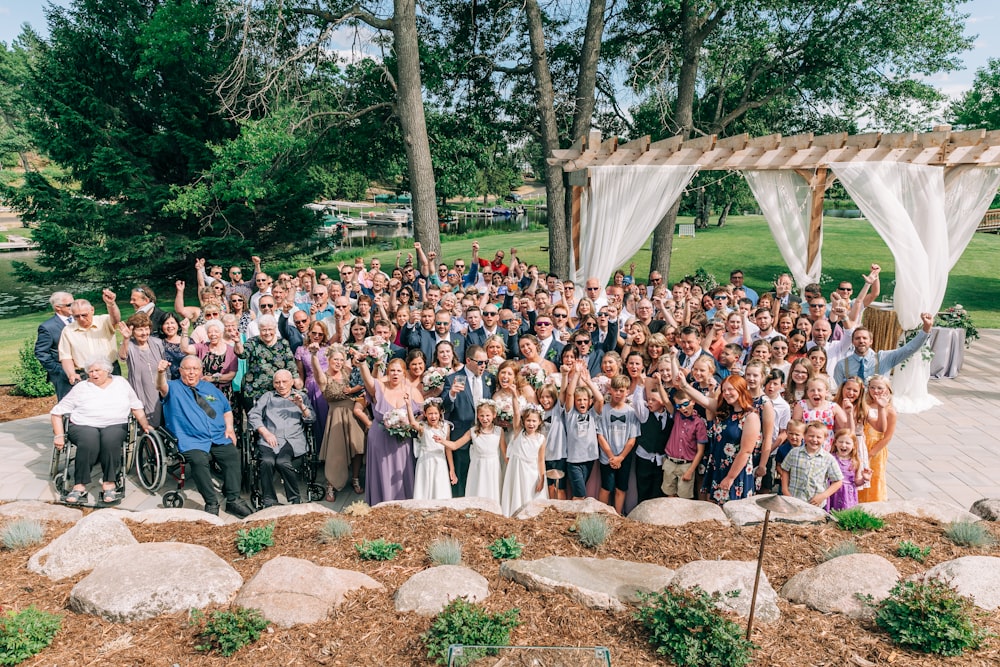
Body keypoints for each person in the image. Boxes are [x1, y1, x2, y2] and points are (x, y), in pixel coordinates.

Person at [157, 356, 253, 517]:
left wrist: (229, 428)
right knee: (199, 461)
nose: (191, 372)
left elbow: (226, 409)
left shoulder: (210, 388)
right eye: (187, 368)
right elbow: (160, 386)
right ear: (180, 371)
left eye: (195, 369)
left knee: (232, 455)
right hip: (191, 439)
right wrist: (160, 373)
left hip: (217, 436)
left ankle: (233, 500)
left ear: (201, 371)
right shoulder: (172, 387)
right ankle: (211, 502)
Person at [50, 357, 152, 504]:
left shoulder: (121, 383)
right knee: (88, 441)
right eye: (90, 371)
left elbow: (136, 406)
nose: (93, 374)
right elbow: (57, 412)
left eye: (97, 370)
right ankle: (79, 486)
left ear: (107, 370)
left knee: (110, 440)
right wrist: (59, 435)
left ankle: (109, 483)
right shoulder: (81, 387)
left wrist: (145, 424)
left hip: (115, 423)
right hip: (83, 424)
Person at [678, 374, 761, 505]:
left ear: (741, 389)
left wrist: (730, 478)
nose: (726, 393)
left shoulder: (751, 417)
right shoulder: (725, 410)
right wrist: (684, 385)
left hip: (735, 472)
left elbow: (745, 451)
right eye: (724, 390)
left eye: (730, 389)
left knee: (731, 510)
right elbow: (702, 400)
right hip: (718, 466)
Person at [355, 355, 418, 505]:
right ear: (387, 373)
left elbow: (421, 414)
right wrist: (363, 364)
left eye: (398, 371)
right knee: (382, 472)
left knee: (402, 471)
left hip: (402, 441)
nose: (395, 374)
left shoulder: (412, 391)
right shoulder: (380, 388)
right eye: (391, 371)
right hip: (379, 438)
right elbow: (368, 380)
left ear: (404, 373)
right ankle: (380, 503)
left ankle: (405, 503)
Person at [247, 369, 314, 507]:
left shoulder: (301, 396)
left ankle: (295, 498)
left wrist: (301, 406)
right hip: (270, 438)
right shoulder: (268, 397)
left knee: (282, 462)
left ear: (291, 382)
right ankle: (269, 500)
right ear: (273, 384)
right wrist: (265, 433)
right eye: (277, 382)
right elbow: (253, 415)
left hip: (293, 439)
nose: (281, 385)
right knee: (266, 461)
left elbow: (311, 419)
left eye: (284, 382)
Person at [312, 344, 365, 501]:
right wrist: (314, 355)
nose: (338, 362)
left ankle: (355, 479)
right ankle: (331, 484)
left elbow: (361, 380)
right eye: (335, 359)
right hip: (336, 416)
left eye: (341, 360)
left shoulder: (347, 372)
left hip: (354, 413)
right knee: (336, 452)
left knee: (358, 448)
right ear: (328, 360)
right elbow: (316, 371)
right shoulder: (324, 377)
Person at [441, 345, 495, 496]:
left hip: (484, 436)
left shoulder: (489, 378)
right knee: (461, 476)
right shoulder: (452, 379)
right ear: (468, 361)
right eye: (480, 362)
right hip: (461, 434)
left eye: (486, 362)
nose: (483, 366)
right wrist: (451, 394)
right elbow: (444, 408)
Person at [833, 313, 934, 386]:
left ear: (871, 341)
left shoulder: (884, 358)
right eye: (857, 338)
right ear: (853, 341)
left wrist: (926, 329)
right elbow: (840, 392)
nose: (861, 341)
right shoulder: (842, 365)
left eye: (865, 338)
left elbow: (909, 349)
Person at [439, 400, 504, 505]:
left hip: (493, 468)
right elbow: (455, 445)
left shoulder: (499, 431)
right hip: (478, 467)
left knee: (493, 493)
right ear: (477, 416)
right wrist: (442, 441)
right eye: (482, 415)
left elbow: (505, 454)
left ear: (494, 415)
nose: (485, 418)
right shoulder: (473, 431)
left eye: (488, 415)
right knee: (478, 490)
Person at [596, 374, 640, 514]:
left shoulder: (632, 412)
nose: (618, 393)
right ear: (610, 390)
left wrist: (620, 457)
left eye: (622, 390)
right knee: (606, 487)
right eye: (615, 390)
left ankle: (618, 514)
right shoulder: (604, 410)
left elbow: (632, 439)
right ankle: (602, 514)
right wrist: (611, 456)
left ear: (627, 391)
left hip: (624, 457)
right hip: (606, 457)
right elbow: (600, 435)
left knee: (621, 488)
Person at [59, 290, 122, 386]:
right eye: (77, 316)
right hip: (85, 374)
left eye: (84, 315)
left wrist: (111, 304)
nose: (81, 319)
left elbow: (116, 319)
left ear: (92, 310)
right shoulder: (68, 331)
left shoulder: (104, 321)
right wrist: (71, 374)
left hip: (109, 371)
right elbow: (66, 357)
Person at [562, 360, 605, 500]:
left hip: (589, 458)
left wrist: (588, 381)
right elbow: (569, 395)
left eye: (585, 400)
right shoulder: (570, 414)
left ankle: (576, 517)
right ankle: (577, 518)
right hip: (574, 460)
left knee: (579, 493)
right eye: (579, 400)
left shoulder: (593, 414)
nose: (582, 402)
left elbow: (600, 399)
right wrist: (576, 375)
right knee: (580, 494)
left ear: (589, 402)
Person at [117, 312, 166, 427]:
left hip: (159, 385)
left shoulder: (157, 343)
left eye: (146, 329)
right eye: (140, 330)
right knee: (147, 418)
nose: (144, 333)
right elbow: (123, 356)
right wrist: (125, 339)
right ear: (133, 331)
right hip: (140, 388)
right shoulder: (129, 345)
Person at [780, 421, 843, 507]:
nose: (814, 440)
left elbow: (838, 481)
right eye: (811, 436)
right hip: (794, 500)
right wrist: (785, 490)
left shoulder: (828, 459)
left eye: (818, 437)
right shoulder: (794, 453)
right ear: (804, 435)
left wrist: (823, 496)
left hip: (815, 504)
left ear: (825, 438)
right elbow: (785, 469)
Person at [660, 387, 708, 501]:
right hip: (670, 461)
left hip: (686, 465)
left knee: (684, 498)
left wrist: (690, 471)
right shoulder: (677, 415)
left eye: (685, 404)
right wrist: (658, 385)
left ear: (693, 401)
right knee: (669, 494)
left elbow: (700, 451)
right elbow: (666, 402)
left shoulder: (699, 423)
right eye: (679, 406)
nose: (683, 408)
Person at [500, 402, 547, 516]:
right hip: (517, 469)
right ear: (523, 421)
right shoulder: (518, 432)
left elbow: (540, 460)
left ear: (540, 421)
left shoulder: (541, 439)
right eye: (528, 420)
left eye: (534, 421)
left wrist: (542, 478)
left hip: (532, 471)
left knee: (530, 494)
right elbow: (516, 413)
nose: (531, 423)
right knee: (517, 493)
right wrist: (514, 396)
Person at [407, 397, 455, 501]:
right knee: (424, 488)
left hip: (440, 461)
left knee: (439, 488)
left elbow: (448, 449)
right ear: (425, 414)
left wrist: (452, 469)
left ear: (440, 413)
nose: (433, 416)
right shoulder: (423, 427)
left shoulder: (445, 427)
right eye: (430, 413)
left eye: (435, 413)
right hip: (425, 461)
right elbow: (412, 423)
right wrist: (409, 406)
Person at [858, 375, 896, 503]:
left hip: (876, 448)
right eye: (872, 387)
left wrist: (872, 452)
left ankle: (874, 502)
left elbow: (888, 436)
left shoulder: (890, 411)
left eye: (880, 388)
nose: (876, 391)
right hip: (862, 443)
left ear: (887, 390)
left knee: (875, 476)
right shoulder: (864, 405)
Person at [36, 291, 75, 400]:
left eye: (74, 303)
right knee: (68, 407)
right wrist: (58, 370)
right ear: (58, 307)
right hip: (62, 374)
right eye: (69, 305)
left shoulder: (79, 319)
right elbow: (41, 352)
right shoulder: (48, 327)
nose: (73, 306)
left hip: (84, 370)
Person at [827, 428, 871, 511]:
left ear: (854, 445)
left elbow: (856, 482)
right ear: (835, 442)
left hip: (847, 496)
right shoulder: (830, 458)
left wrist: (864, 479)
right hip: (832, 492)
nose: (843, 445)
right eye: (841, 442)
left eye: (847, 443)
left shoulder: (855, 462)